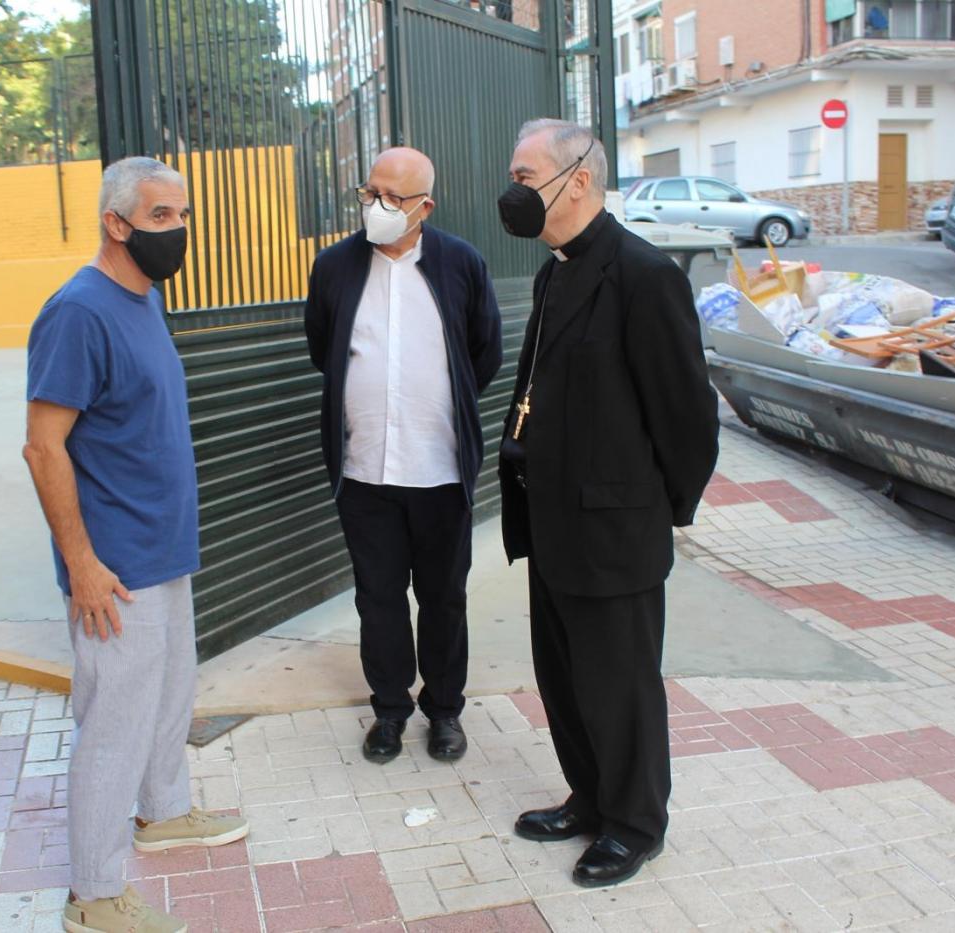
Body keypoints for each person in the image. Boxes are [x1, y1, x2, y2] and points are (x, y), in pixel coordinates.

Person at [23, 156, 249, 933]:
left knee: (168, 694)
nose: (177, 230)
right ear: (114, 223)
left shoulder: (143, 297)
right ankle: (92, 895)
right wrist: (82, 565)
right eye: (160, 217)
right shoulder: (77, 312)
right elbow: (43, 447)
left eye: (182, 215)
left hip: (164, 547)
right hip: (115, 567)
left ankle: (164, 811)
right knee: (113, 725)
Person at [495, 120, 719, 887]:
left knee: (620, 685)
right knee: (565, 677)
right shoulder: (554, 272)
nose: (513, 192)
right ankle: (590, 798)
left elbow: (687, 416)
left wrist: (661, 508)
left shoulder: (644, 274)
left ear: (579, 179)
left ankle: (635, 823)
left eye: (525, 177)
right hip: (554, 520)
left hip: (616, 529)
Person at [304, 147, 503, 764]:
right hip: (364, 471)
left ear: (425, 206)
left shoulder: (460, 263)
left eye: (392, 198)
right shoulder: (334, 266)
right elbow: (322, 348)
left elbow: (485, 353)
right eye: (370, 193)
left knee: (444, 599)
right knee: (378, 599)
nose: (377, 206)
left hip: (439, 469)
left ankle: (444, 711)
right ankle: (389, 710)